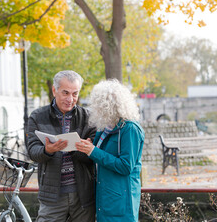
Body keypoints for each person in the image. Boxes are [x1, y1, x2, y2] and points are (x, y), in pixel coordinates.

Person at [26, 70, 96, 222]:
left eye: (75, 94)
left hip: (83, 195)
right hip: (52, 195)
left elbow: (94, 158)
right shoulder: (37, 116)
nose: (70, 99)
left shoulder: (89, 118)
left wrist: (82, 149)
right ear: (54, 90)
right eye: (65, 93)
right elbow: (32, 151)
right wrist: (47, 150)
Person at [76, 79, 145, 222]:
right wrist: (89, 146)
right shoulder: (106, 126)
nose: (96, 109)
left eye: (99, 105)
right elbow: (99, 152)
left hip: (121, 197)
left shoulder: (130, 129)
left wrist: (93, 151)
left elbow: (126, 166)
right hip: (105, 193)